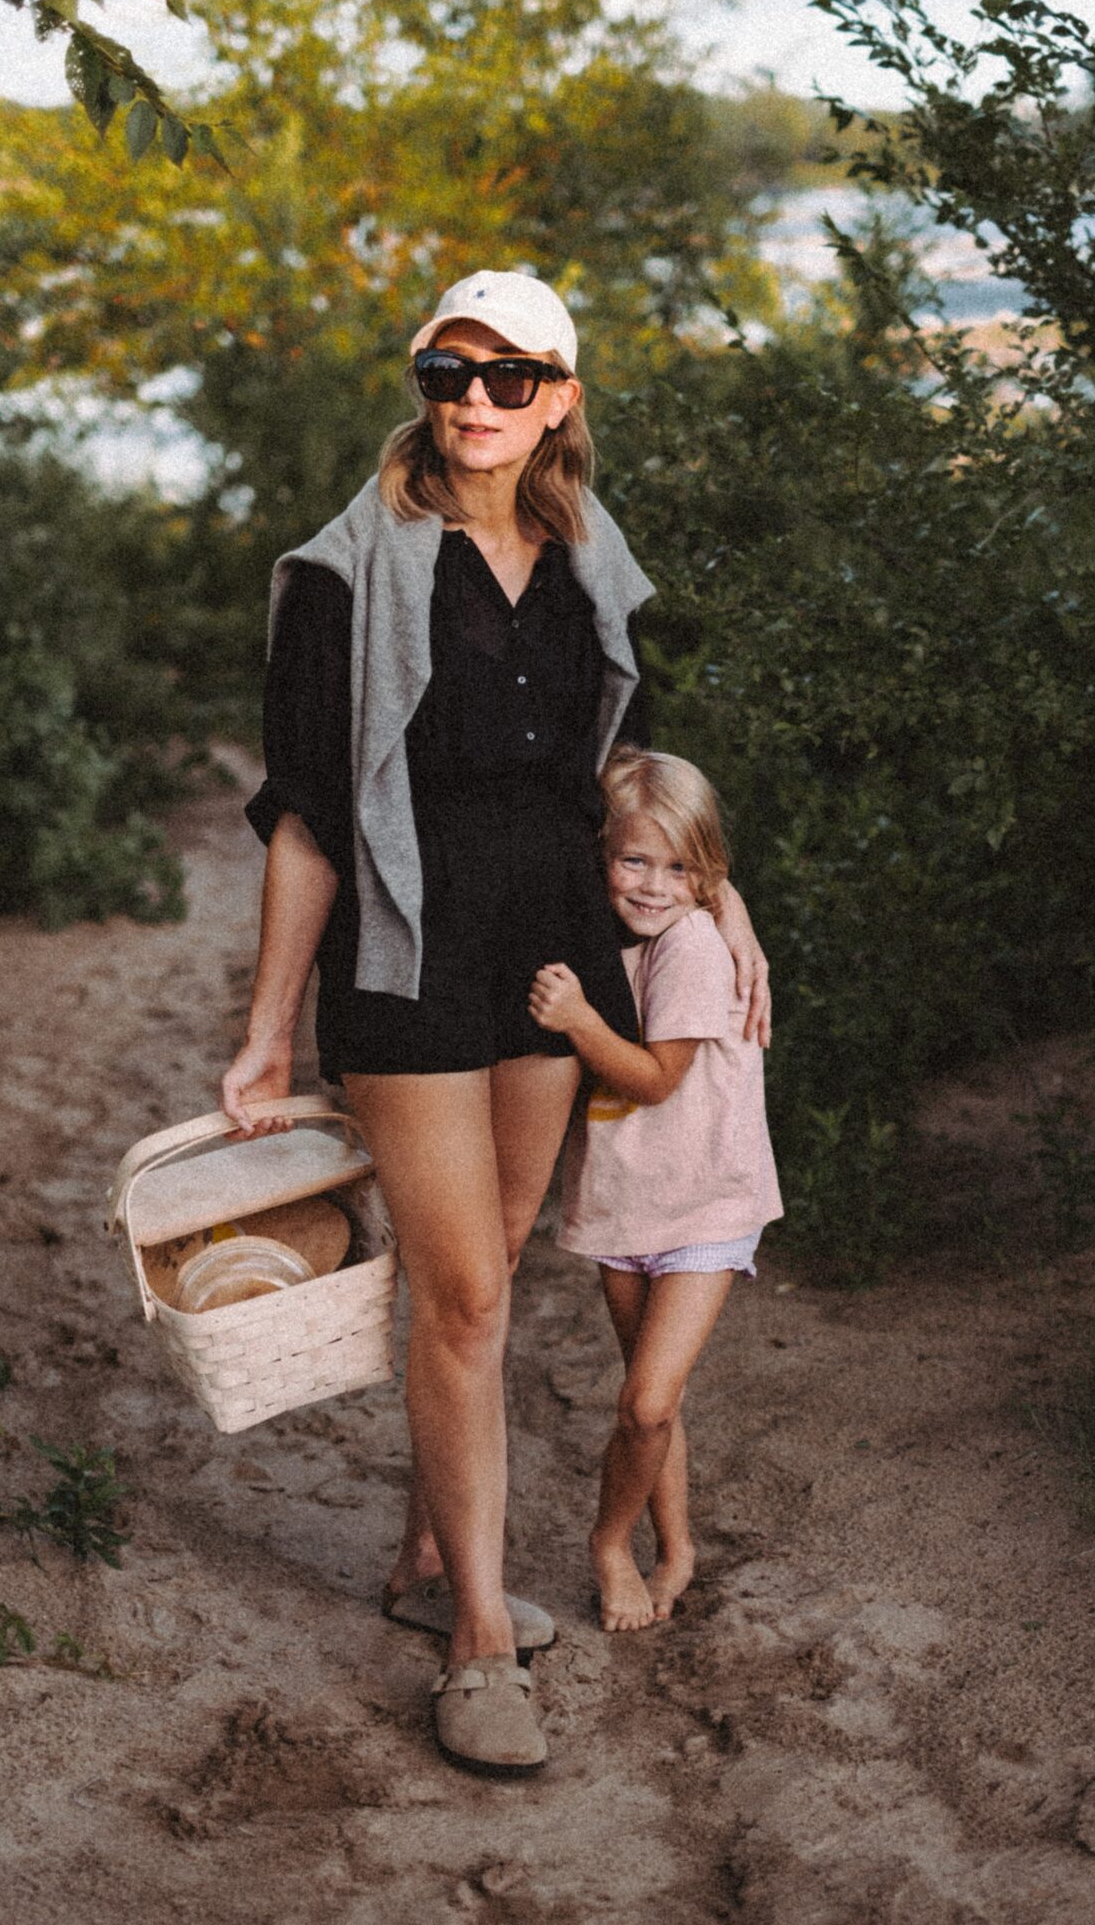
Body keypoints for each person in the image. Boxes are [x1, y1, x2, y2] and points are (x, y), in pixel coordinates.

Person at [220, 271, 769, 1776]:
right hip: (408, 964)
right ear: (422, 381)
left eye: (512, 377)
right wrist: (273, 1030)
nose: (475, 401)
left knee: (498, 1262)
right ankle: (473, 1636)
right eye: (449, 372)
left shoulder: (587, 557)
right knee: (462, 1297)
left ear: (561, 399)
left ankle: (416, 1556)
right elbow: (305, 816)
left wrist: (727, 910)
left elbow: (614, 774)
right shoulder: (347, 576)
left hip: (557, 962)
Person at [527, 747, 782, 1633]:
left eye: (679, 868)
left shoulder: (696, 950)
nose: (653, 885)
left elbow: (653, 1080)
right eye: (634, 860)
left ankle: (607, 1542)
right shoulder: (609, 933)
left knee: (644, 1402)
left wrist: (576, 1021)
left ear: (707, 876)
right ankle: (676, 1547)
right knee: (651, 1398)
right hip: (625, 1197)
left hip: (707, 1197)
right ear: (601, 857)